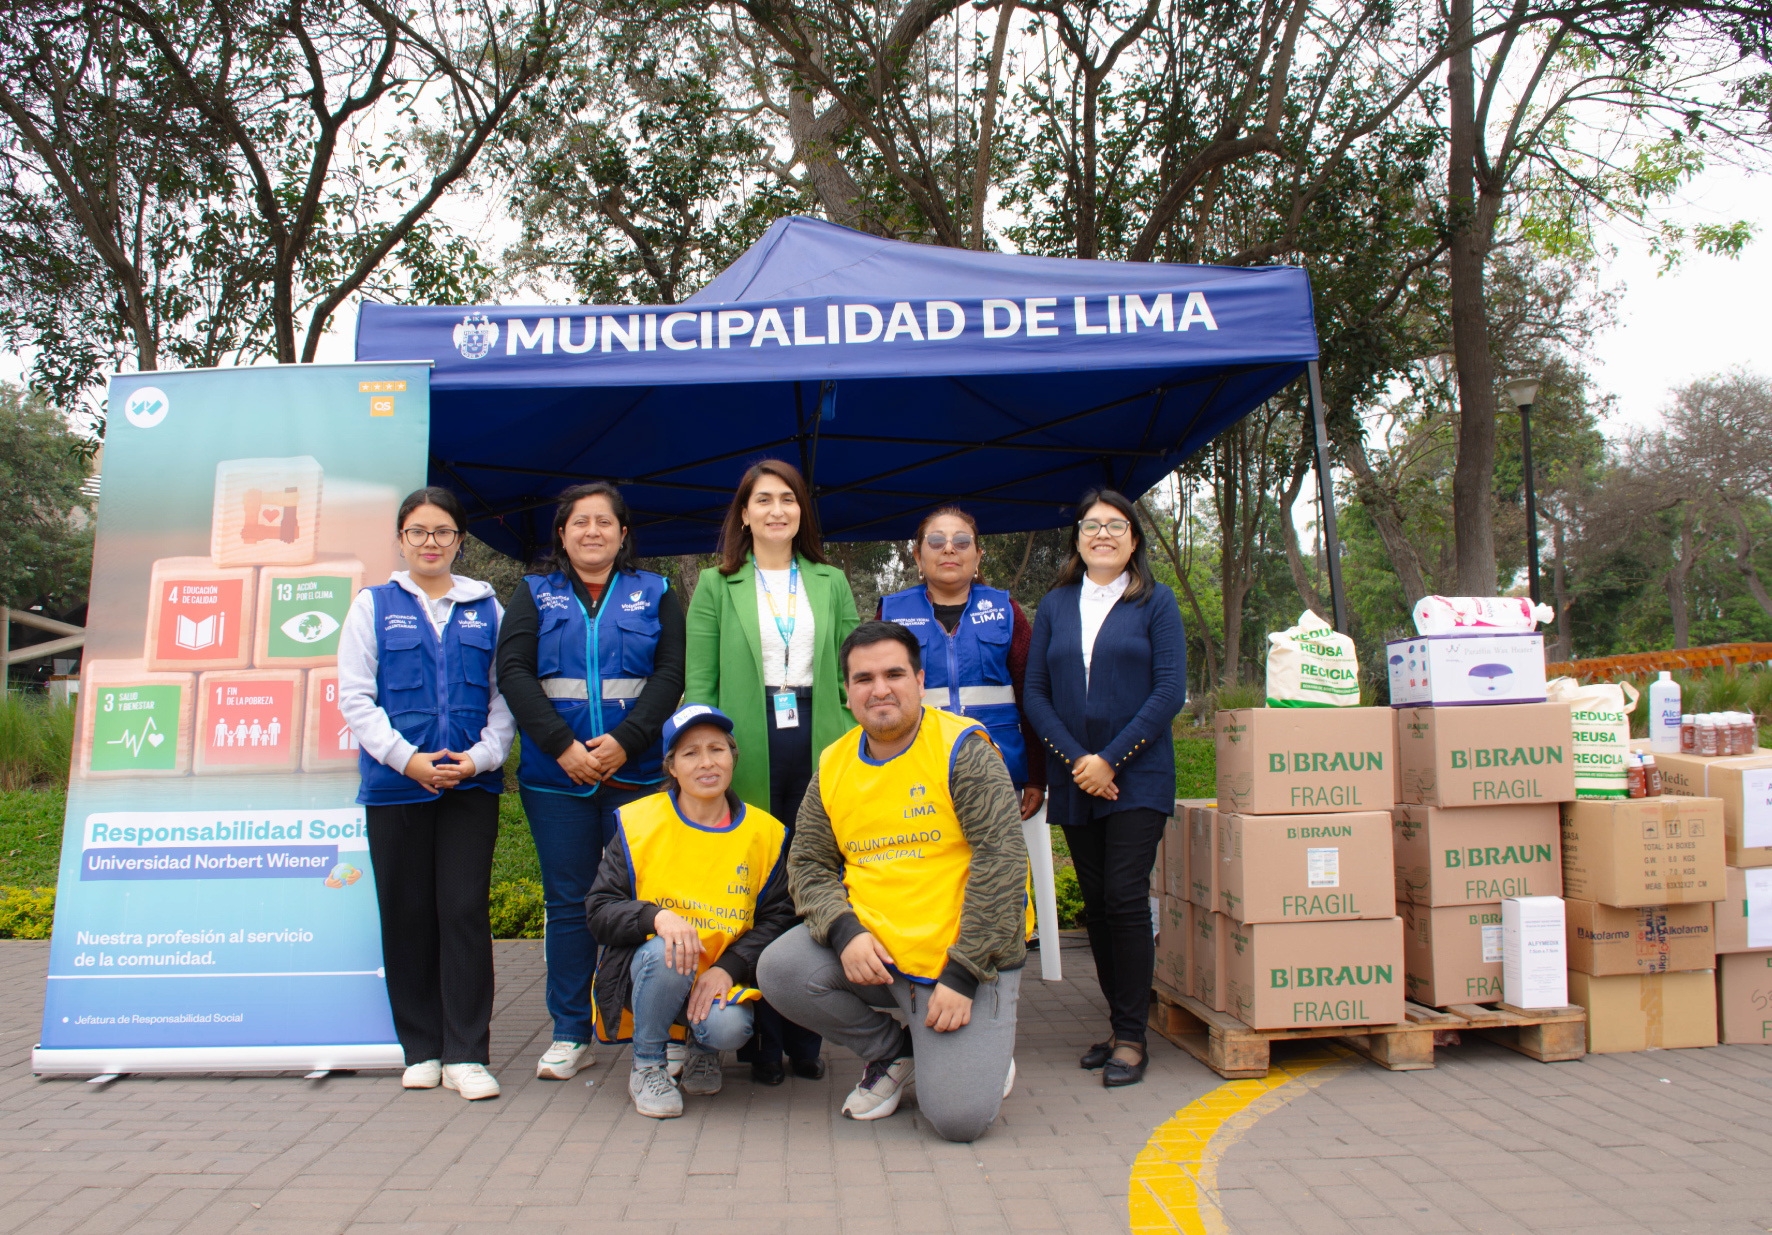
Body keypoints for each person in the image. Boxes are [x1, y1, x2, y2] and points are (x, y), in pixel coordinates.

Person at [758, 621, 1029, 1143]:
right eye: (863, 678)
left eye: (894, 674)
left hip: (961, 960)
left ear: (920, 680)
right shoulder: (834, 763)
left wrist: (965, 973)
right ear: (847, 692)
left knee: (957, 1122)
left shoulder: (962, 749)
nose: (879, 689)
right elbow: (808, 863)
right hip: (879, 953)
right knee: (782, 968)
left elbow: (1003, 863)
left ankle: (982, 1043)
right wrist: (844, 932)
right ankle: (894, 1053)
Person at [495, 482, 686, 1082]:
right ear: (562, 534)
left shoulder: (655, 593)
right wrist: (563, 747)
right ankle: (571, 1030)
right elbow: (515, 672)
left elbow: (671, 673)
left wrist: (625, 741)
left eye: (605, 522)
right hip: (557, 780)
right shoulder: (532, 594)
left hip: (637, 776)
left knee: (653, 905)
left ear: (623, 534)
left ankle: (660, 1030)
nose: (592, 532)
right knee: (569, 904)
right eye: (580, 522)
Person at [684, 458, 860, 1084]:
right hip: (746, 741)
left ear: (800, 512)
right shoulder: (716, 585)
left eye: (788, 498)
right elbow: (699, 684)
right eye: (764, 500)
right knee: (762, 885)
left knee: (814, 874)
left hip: (820, 737)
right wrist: (701, 759)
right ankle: (759, 1038)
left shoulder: (831, 580)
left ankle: (808, 1037)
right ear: (745, 513)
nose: (777, 509)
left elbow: (851, 676)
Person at [338, 486, 516, 1101]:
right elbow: (356, 698)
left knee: (462, 911)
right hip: (396, 788)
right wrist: (408, 761)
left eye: (442, 532)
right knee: (407, 912)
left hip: (470, 785)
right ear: (402, 539)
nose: (431, 543)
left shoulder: (486, 607)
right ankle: (421, 1047)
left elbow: (504, 697)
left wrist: (478, 760)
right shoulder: (372, 606)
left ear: (459, 541)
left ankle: (468, 1052)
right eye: (419, 532)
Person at [1023, 489, 1185, 1088]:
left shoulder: (1156, 603)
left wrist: (1111, 759)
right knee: (1096, 905)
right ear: (1078, 539)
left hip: (1137, 776)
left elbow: (1169, 692)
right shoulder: (1057, 606)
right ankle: (1119, 1024)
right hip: (1075, 777)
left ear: (1134, 539)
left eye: (1116, 526)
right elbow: (1036, 694)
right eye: (1092, 525)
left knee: (1123, 896)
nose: (1103, 535)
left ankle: (1133, 1038)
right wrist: (1079, 760)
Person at [585, 703, 796, 1119]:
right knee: (670, 950)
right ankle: (647, 1065)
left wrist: (730, 967)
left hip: (719, 978)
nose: (706, 763)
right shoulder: (639, 823)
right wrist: (655, 918)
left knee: (731, 1028)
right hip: (650, 970)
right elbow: (599, 910)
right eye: (690, 753)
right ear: (672, 767)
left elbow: (779, 918)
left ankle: (703, 1048)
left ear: (733, 758)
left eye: (717, 750)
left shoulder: (765, 833)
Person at [877, 506, 1046, 822]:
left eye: (962, 541)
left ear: (979, 555)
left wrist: (1036, 774)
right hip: (914, 772)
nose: (949, 549)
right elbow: (874, 700)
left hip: (997, 771)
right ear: (918, 556)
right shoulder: (890, 615)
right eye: (936, 541)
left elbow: (1032, 697)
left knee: (996, 867)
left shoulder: (1006, 611)